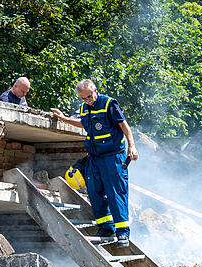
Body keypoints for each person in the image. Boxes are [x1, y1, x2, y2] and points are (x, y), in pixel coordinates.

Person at [51, 79, 138, 247]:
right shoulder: (84, 108)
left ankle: (122, 234)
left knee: (116, 193)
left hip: (113, 157)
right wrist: (64, 118)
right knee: (95, 193)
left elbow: (124, 125)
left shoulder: (109, 104)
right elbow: (82, 123)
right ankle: (106, 228)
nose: (87, 101)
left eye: (89, 97)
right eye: (83, 98)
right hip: (94, 158)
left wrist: (132, 146)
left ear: (95, 91)